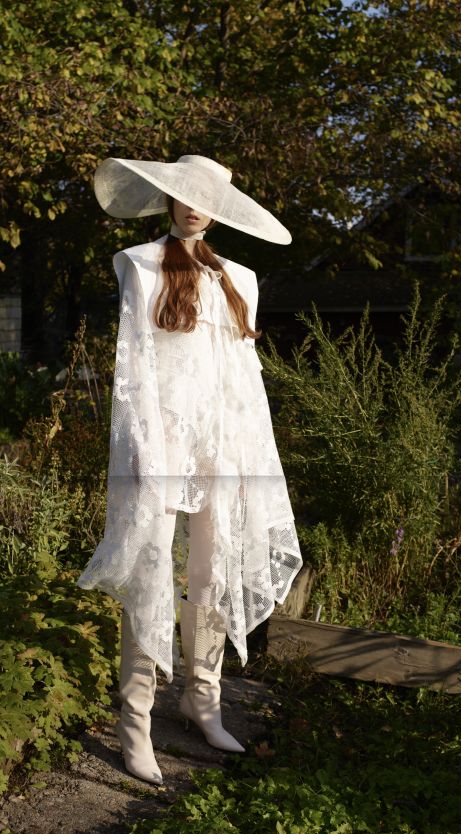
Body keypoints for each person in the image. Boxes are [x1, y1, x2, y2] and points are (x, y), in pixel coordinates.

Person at [77, 154, 303, 785]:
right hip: (163, 442)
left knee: (211, 573)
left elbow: (245, 379)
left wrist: (251, 454)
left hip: (222, 446)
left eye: (205, 197)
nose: (193, 206)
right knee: (151, 573)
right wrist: (142, 448)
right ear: (168, 198)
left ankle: (204, 701)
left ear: (219, 208)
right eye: (184, 194)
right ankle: (135, 721)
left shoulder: (241, 278)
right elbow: (134, 366)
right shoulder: (140, 264)